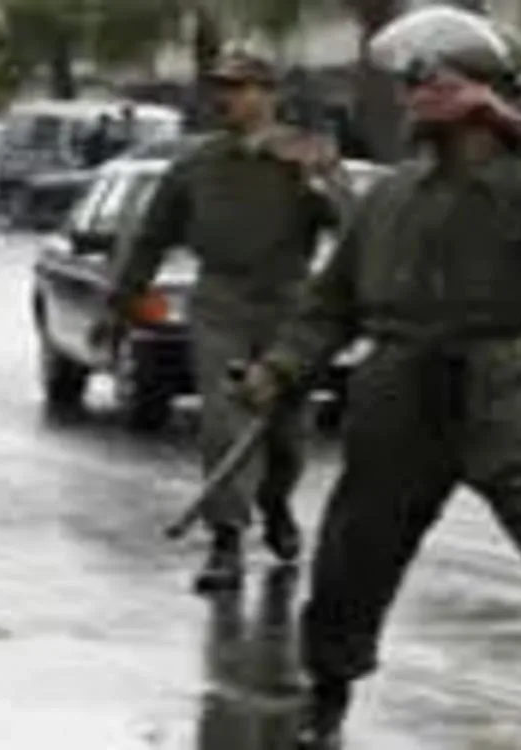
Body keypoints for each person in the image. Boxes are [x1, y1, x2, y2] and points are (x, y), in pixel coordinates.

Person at [235, 6, 521, 750]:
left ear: (487, 92)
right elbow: (329, 306)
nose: (417, 97)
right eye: (412, 85)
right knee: (354, 556)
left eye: (438, 84)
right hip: (397, 388)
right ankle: (326, 697)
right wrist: (280, 368)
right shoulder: (391, 197)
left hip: (501, 389)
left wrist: (511, 123)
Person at [93, 50, 353, 594]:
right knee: (224, 421)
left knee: (286, 432)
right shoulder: (196, 164)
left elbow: (352, 229)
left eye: (239, 87)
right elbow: (151, 237)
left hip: (287, 304)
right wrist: (119, 304)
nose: (225, 97)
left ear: (269, 94)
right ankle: (226, 541)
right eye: (221, 87)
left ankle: (276, 504)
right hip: (220, 303)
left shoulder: (305, 154)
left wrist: (320, 176)